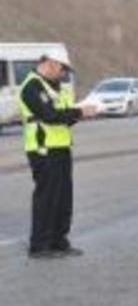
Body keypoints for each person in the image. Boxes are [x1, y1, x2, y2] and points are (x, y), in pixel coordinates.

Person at [17, 54, 97, 259]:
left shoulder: (55, 87)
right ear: (49, 64)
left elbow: (64, 118)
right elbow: (49, 116)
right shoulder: (32, 87)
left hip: (61, 147)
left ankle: (59, 241)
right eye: (61, 69)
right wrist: (79, 112)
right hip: (42, 149)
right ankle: (40, 245)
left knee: (63, 197)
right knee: (47, 198)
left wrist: (81, 113)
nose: (63, 74)